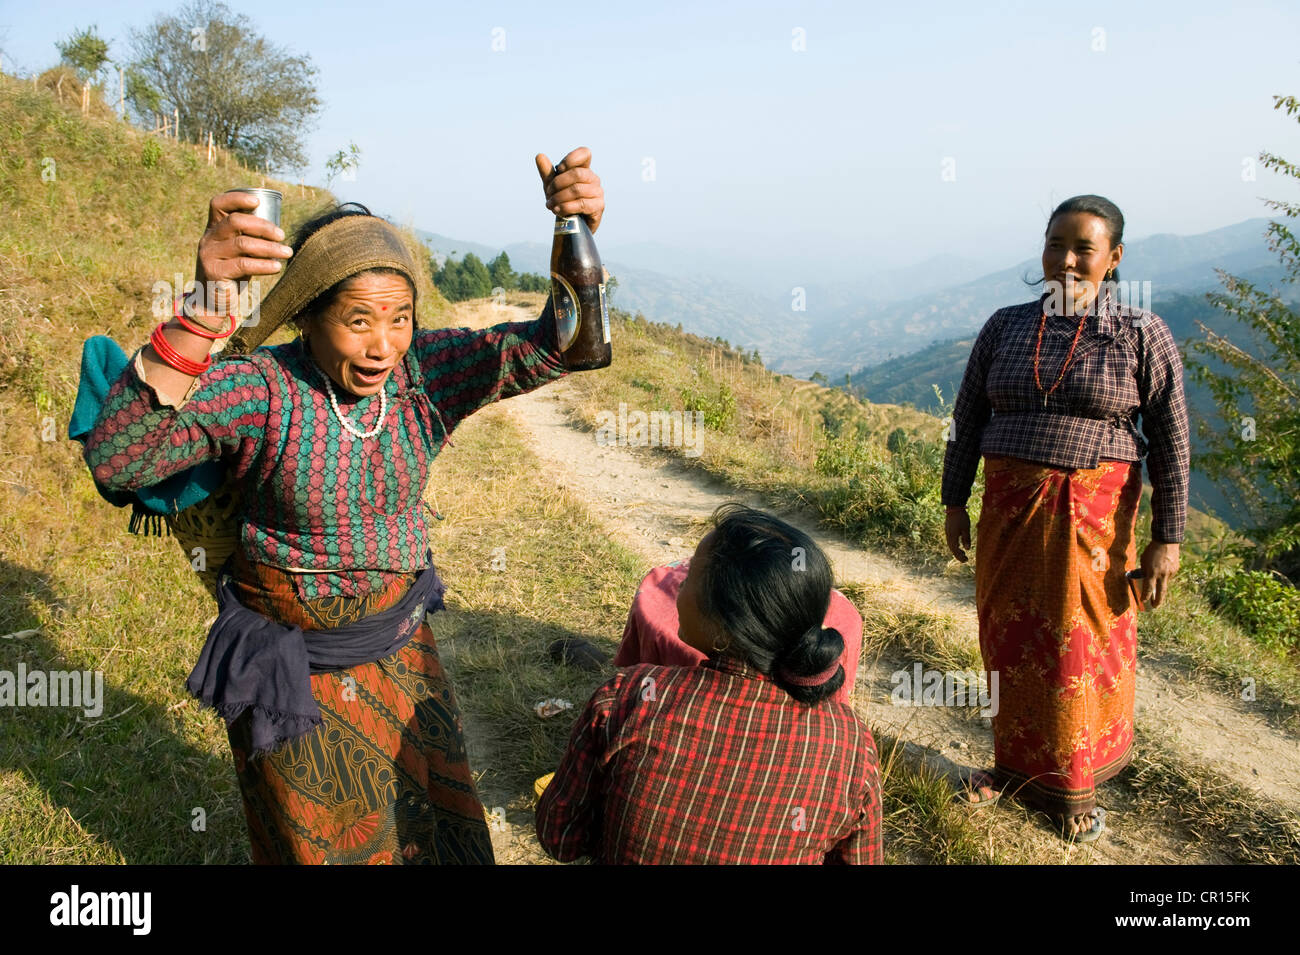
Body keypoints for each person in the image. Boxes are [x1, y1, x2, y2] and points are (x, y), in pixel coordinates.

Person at [81, 148, 605, 864]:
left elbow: (566, 346)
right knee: (322, 844)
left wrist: (573, 230)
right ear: (305, 316)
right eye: (358, 320)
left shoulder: (425, 375)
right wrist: (204, 309)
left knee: (429, 831)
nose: (383, 345)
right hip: (296, 672)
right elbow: (122, 458)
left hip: (400, 653)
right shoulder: (261, 388)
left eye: (399, 318)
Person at [940, 195, 1189, 843]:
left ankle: (1072, 784)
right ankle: (1010, 767)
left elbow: (1171, 440)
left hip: (1095, 518)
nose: (1068, 259)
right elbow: (968, 418)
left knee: (1078, 643)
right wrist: (952, 498)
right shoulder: (1005, 325)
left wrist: (1168, 538)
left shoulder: (1141, 332)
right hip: (1006, 511)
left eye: (1084, 247)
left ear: (1115, 259)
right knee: (1009, 639)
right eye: (1057, 243)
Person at [536, 504, 882, 864]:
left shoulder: (628, 698)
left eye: (691, 577)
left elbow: (560, 838)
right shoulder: (852, 745)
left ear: (723, 626)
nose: (681, 583)